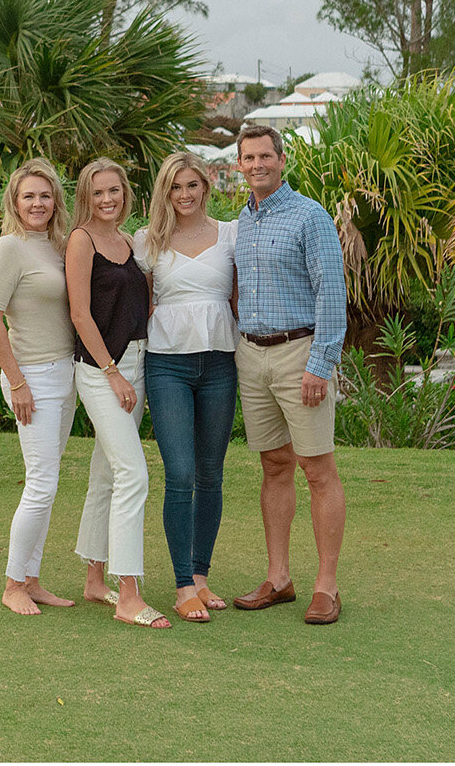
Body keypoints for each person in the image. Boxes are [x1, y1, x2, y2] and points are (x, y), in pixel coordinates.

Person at [227, 123, 349, 626]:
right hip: (251, 357)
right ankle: (279, 578)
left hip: (300, 355)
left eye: (265, 157)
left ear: (282, 159)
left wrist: (320, 363)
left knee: (317, 470)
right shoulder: (243, 219)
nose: (257, 165)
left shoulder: (310, 216)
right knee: (274, 466)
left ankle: (327, 587)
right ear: (239, 165)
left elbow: (332, 294)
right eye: (248, 158)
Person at [134, 150, 238, 625]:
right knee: (179, 473)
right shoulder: (148, 242)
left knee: (210, 473)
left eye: (191, 185)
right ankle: (181, 585)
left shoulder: (231, 235)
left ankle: (200, 575)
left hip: (220, 364)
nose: (184, 195)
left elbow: (236, 300)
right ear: (164, 192)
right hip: (168, 366)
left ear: (206, 186)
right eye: (174, 187)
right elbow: (145, 303)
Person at [63, 157, 168, 629]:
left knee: (106, 474)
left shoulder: (129, 241)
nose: (108, 199)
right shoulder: (81, 241)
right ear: (87, 195)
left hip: (138, 362)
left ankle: (93, 577)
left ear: (126, 193)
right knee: (133, 474)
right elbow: (81, 315)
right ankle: (128, 593)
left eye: (116, 191)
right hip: (101, 370)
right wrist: (112, 372)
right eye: (99, 192)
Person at [0, 158, 81, 616]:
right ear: (15, 204)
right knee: (40, 483)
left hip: (66, 375)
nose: (37, 203)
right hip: (32, 379)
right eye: (28, 197)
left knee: (49, 481)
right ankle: (13, 584)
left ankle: (33, 579)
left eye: (45, 195)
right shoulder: (10, 248)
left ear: (55, 200)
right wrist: (17, 382)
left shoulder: (59, 245)